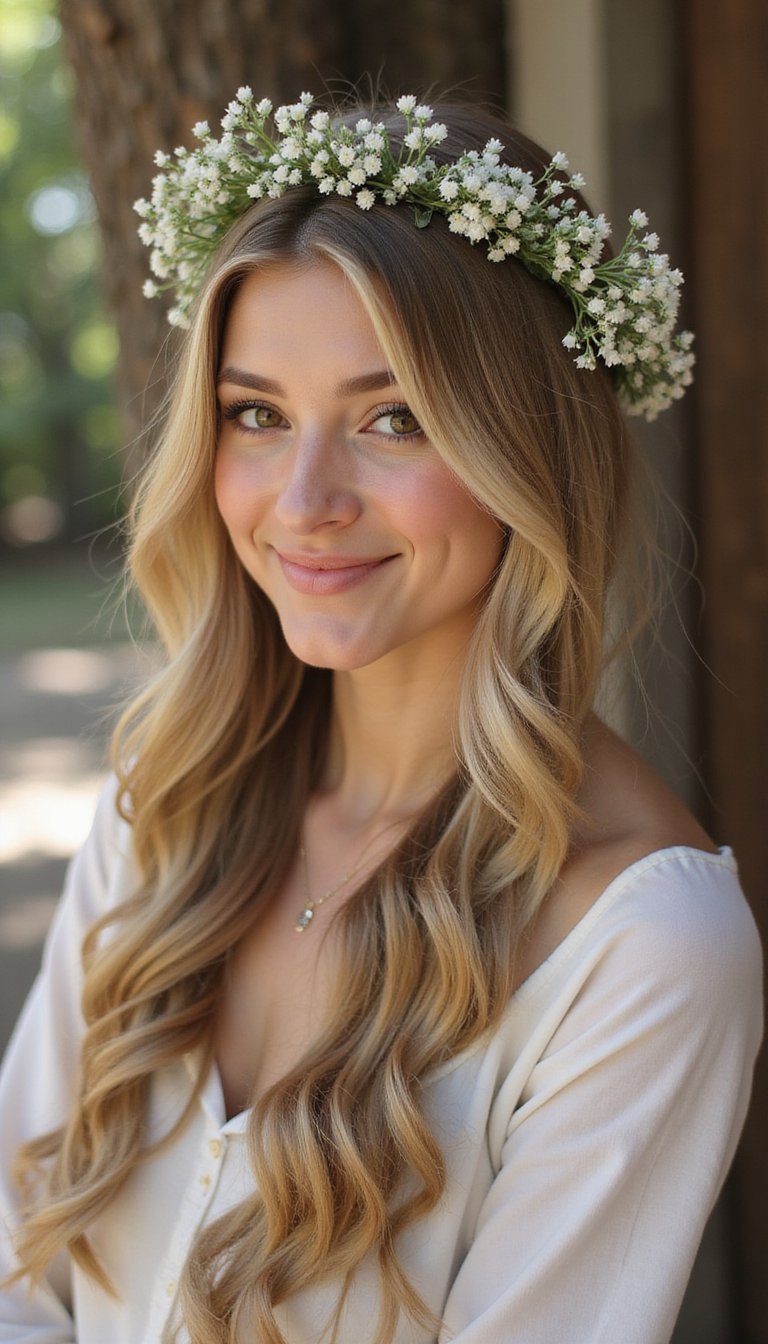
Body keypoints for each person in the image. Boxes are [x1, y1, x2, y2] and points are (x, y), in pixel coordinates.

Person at [0, 91, 761, 1344]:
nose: (304, 501)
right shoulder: (167, 802)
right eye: (258, 415)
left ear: (529, 444)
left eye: (392, 417)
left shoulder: (642, 948)